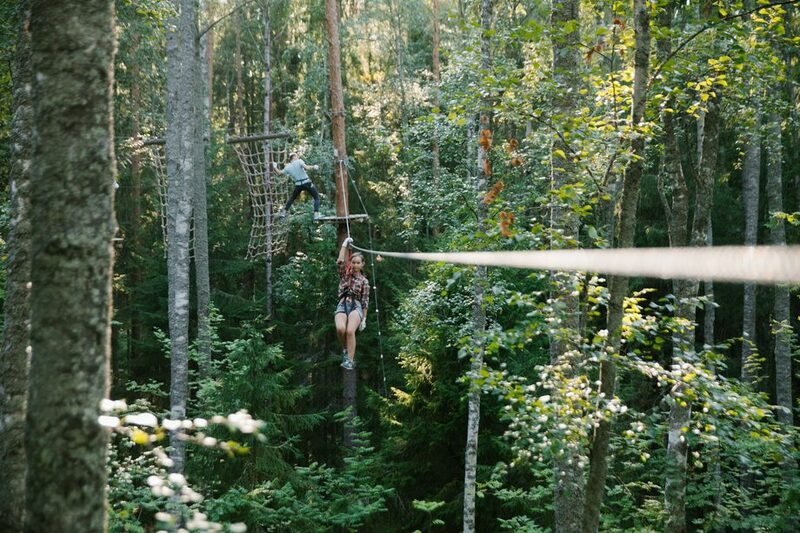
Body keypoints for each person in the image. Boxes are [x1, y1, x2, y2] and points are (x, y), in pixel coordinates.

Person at [335, 237, 368, 370]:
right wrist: (344, 245)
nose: (355, 265)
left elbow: (365, 301)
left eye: (358, 263)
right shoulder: (345, 275)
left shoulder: (364, 281)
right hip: (343, 303)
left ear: (362, 264)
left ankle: (349, 360)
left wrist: (364, 318)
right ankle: (345, 349)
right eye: (353, 262)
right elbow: (340, 261)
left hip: (356, 306)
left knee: (349, 331)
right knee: (340, 329)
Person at [273, 152, 321, 219]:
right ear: (294, 157)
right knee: (316, 197)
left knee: (292, 198)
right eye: (297, 156)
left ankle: (284, 212)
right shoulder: (299, 161)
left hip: (298, 185)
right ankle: (316, 214)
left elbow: (279, 173)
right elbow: (306, 167)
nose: (298, 157)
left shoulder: (288, 167)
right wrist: (314, 167)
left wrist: (274, 167)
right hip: (306, 182)